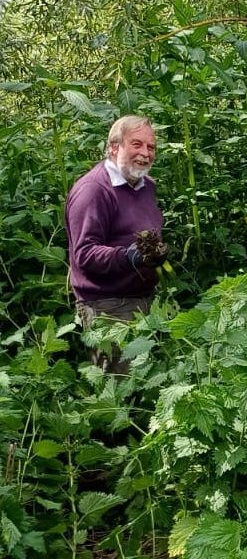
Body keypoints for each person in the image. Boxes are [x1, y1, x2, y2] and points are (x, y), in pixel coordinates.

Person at [65, 115, 165, 373]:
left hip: (145, 301)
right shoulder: (94, 190)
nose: (145, 153)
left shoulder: (145, 186)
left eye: (151, 147)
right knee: (119, 394)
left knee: (148, 385)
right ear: (113, 147)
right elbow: (84, 254)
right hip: (109, 308)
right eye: (136, 144)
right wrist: (127, 257)